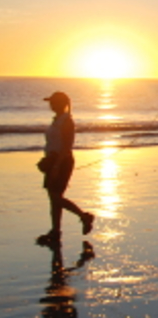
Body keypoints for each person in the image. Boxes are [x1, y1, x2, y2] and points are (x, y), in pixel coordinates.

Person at [37, 92, 94, 247]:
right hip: (53, 160)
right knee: (54, 197)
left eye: (53, 102)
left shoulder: (67, 121)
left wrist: (56, 165)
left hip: (62, 161)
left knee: (56, 197)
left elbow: (66, 147)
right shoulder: (57, 120)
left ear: (59, 104)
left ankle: (83, 216)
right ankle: (56, 230)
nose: (50, 105)